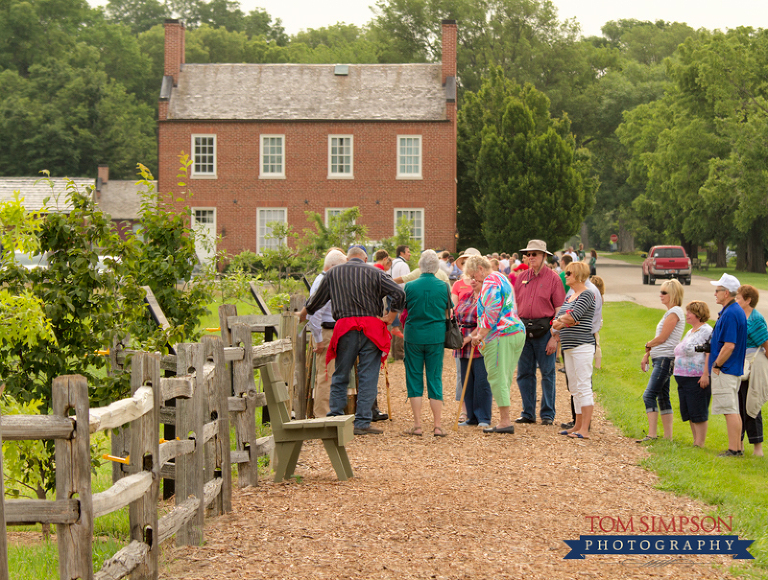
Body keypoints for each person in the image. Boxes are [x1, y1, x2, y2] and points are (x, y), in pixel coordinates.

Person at [300, 246, 405, 435]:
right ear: (365, 259)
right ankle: (362, 422)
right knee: (368, 376)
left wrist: (303, 313)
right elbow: (399, 293)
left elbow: (316, 301)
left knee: (340, 374)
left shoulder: (334, 273)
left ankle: (336, 418)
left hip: (345, 327)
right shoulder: (376, 272)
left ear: (348, 259)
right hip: (371, 327)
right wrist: (390, 316)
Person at [464, 255, 526, 434]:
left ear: (481, 269)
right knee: (504, 376)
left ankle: (505, 421)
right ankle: (504, 418)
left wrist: (480, 335)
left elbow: (492, 311)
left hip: (500, 334)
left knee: (497, 377)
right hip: (514, 331)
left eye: (474, 275)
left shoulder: (490, 281)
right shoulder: (502, 277)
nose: (473, 279)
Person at [513, 240, 566, 425]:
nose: (531, 257)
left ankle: (547, 414)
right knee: (524, 373)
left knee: (548, 373)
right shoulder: (521, 278)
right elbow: (514, 306)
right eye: (529, 254)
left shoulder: (554, 279)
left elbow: (560, 310)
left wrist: (554, 336)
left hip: (545, 331)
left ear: (544, 256)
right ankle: (528, 412)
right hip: (523, 331)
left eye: (535, 254)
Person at [402, 250, 452, 437]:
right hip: (436, 336)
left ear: (420, 266)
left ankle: (417, 425)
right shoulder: (444, 286)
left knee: (414, 377)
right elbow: (448, 314)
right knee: (434, 377)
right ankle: (437, 426)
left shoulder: (410, 286)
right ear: (436, 267)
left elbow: (404, 310)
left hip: (414, 334)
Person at [552, 262, 596, 439]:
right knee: (574, 387)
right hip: (568, 346)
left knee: (584, 385)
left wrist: (564, 320)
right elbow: (557, 320)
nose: (565, 275)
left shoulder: (587, 294)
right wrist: (563, 321)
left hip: (582, 346)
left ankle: (585, 428)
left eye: (568, 272)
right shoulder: (570, 295)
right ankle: (577, 424)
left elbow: (573, 316)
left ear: (578, 274)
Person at [638, 279, 685, 442]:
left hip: (665, 358)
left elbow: (663, 337)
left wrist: (648, 344)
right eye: (660, 292)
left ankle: (652, 434)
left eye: (664, 292)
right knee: (663, 396)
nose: (661, 295)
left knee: (649, 395)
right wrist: (648, 353)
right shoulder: (671, 312)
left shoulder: (675, 312)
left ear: (673, 295)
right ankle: (668, 437)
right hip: (660, 357)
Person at [708, 273, 748, 456]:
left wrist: (716, 364)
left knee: (730, 410)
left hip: (726, 369)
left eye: (717, 290)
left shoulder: (731, 313)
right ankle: (737, 447)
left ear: (726, 293)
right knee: (733, 409)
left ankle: (733, 450)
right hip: (731, 368)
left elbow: (729, 345)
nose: (715, 294)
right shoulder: (733, 310)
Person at [306, 249, 348, 418]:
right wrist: (319, 339)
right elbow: (314, 313)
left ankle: (329, 413)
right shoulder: (324, 282)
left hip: (331, 331)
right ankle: (323, 416)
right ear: (333, 267)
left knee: (329, 374)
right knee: (325, 375)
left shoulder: (325, 280)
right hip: (326, 331)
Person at [455, 270, 492, 428]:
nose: (473, 281)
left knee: (481, 381)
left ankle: (483, 416)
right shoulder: (466, 297)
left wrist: (470, 338)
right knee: (466, 381)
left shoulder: (488, 299)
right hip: (462, 342)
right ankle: (471, 417)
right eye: (471, 278)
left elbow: (485, 321)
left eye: (476, 279)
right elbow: (457, 316)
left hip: (479, 342)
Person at [673, 301, 712, 447]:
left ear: (698, 314)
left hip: (696, 376)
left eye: (690, 312)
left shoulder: (706, 331)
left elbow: (709, 351)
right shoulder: (691, 331)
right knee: (689, 410)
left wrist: (705, 374)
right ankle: (695, 440)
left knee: (698, 410)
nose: (687, 315)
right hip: (683, 377)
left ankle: (700, 443)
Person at [735, 285, 768, 457]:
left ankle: (758, 449)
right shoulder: (739, 316)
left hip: (753, 366)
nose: (736, 300)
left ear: (748, 300)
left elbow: (766, 345)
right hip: (739, 366)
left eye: (739, 298)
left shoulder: (755, 319)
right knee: (738, 406)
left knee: (752, 405)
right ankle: (738, 444)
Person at [451, 247, 482, 422]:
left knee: (481, 374)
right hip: (462, 333)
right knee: (461, 374)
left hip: (480, 332)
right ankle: (464, 409)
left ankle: (479, 410)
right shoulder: (457, 284)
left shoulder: (484, 283)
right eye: (465, 262)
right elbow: (452, 309)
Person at [389, 245, 411, 359]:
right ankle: (399, 353)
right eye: (408, 252)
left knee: (395, 325)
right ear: (401, 253)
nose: (410, 254)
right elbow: (405, 282)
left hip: (391, 297)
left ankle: (394, 352)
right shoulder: (403, 265)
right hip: (401, 298)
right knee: (401, 325)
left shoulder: (392, 264)